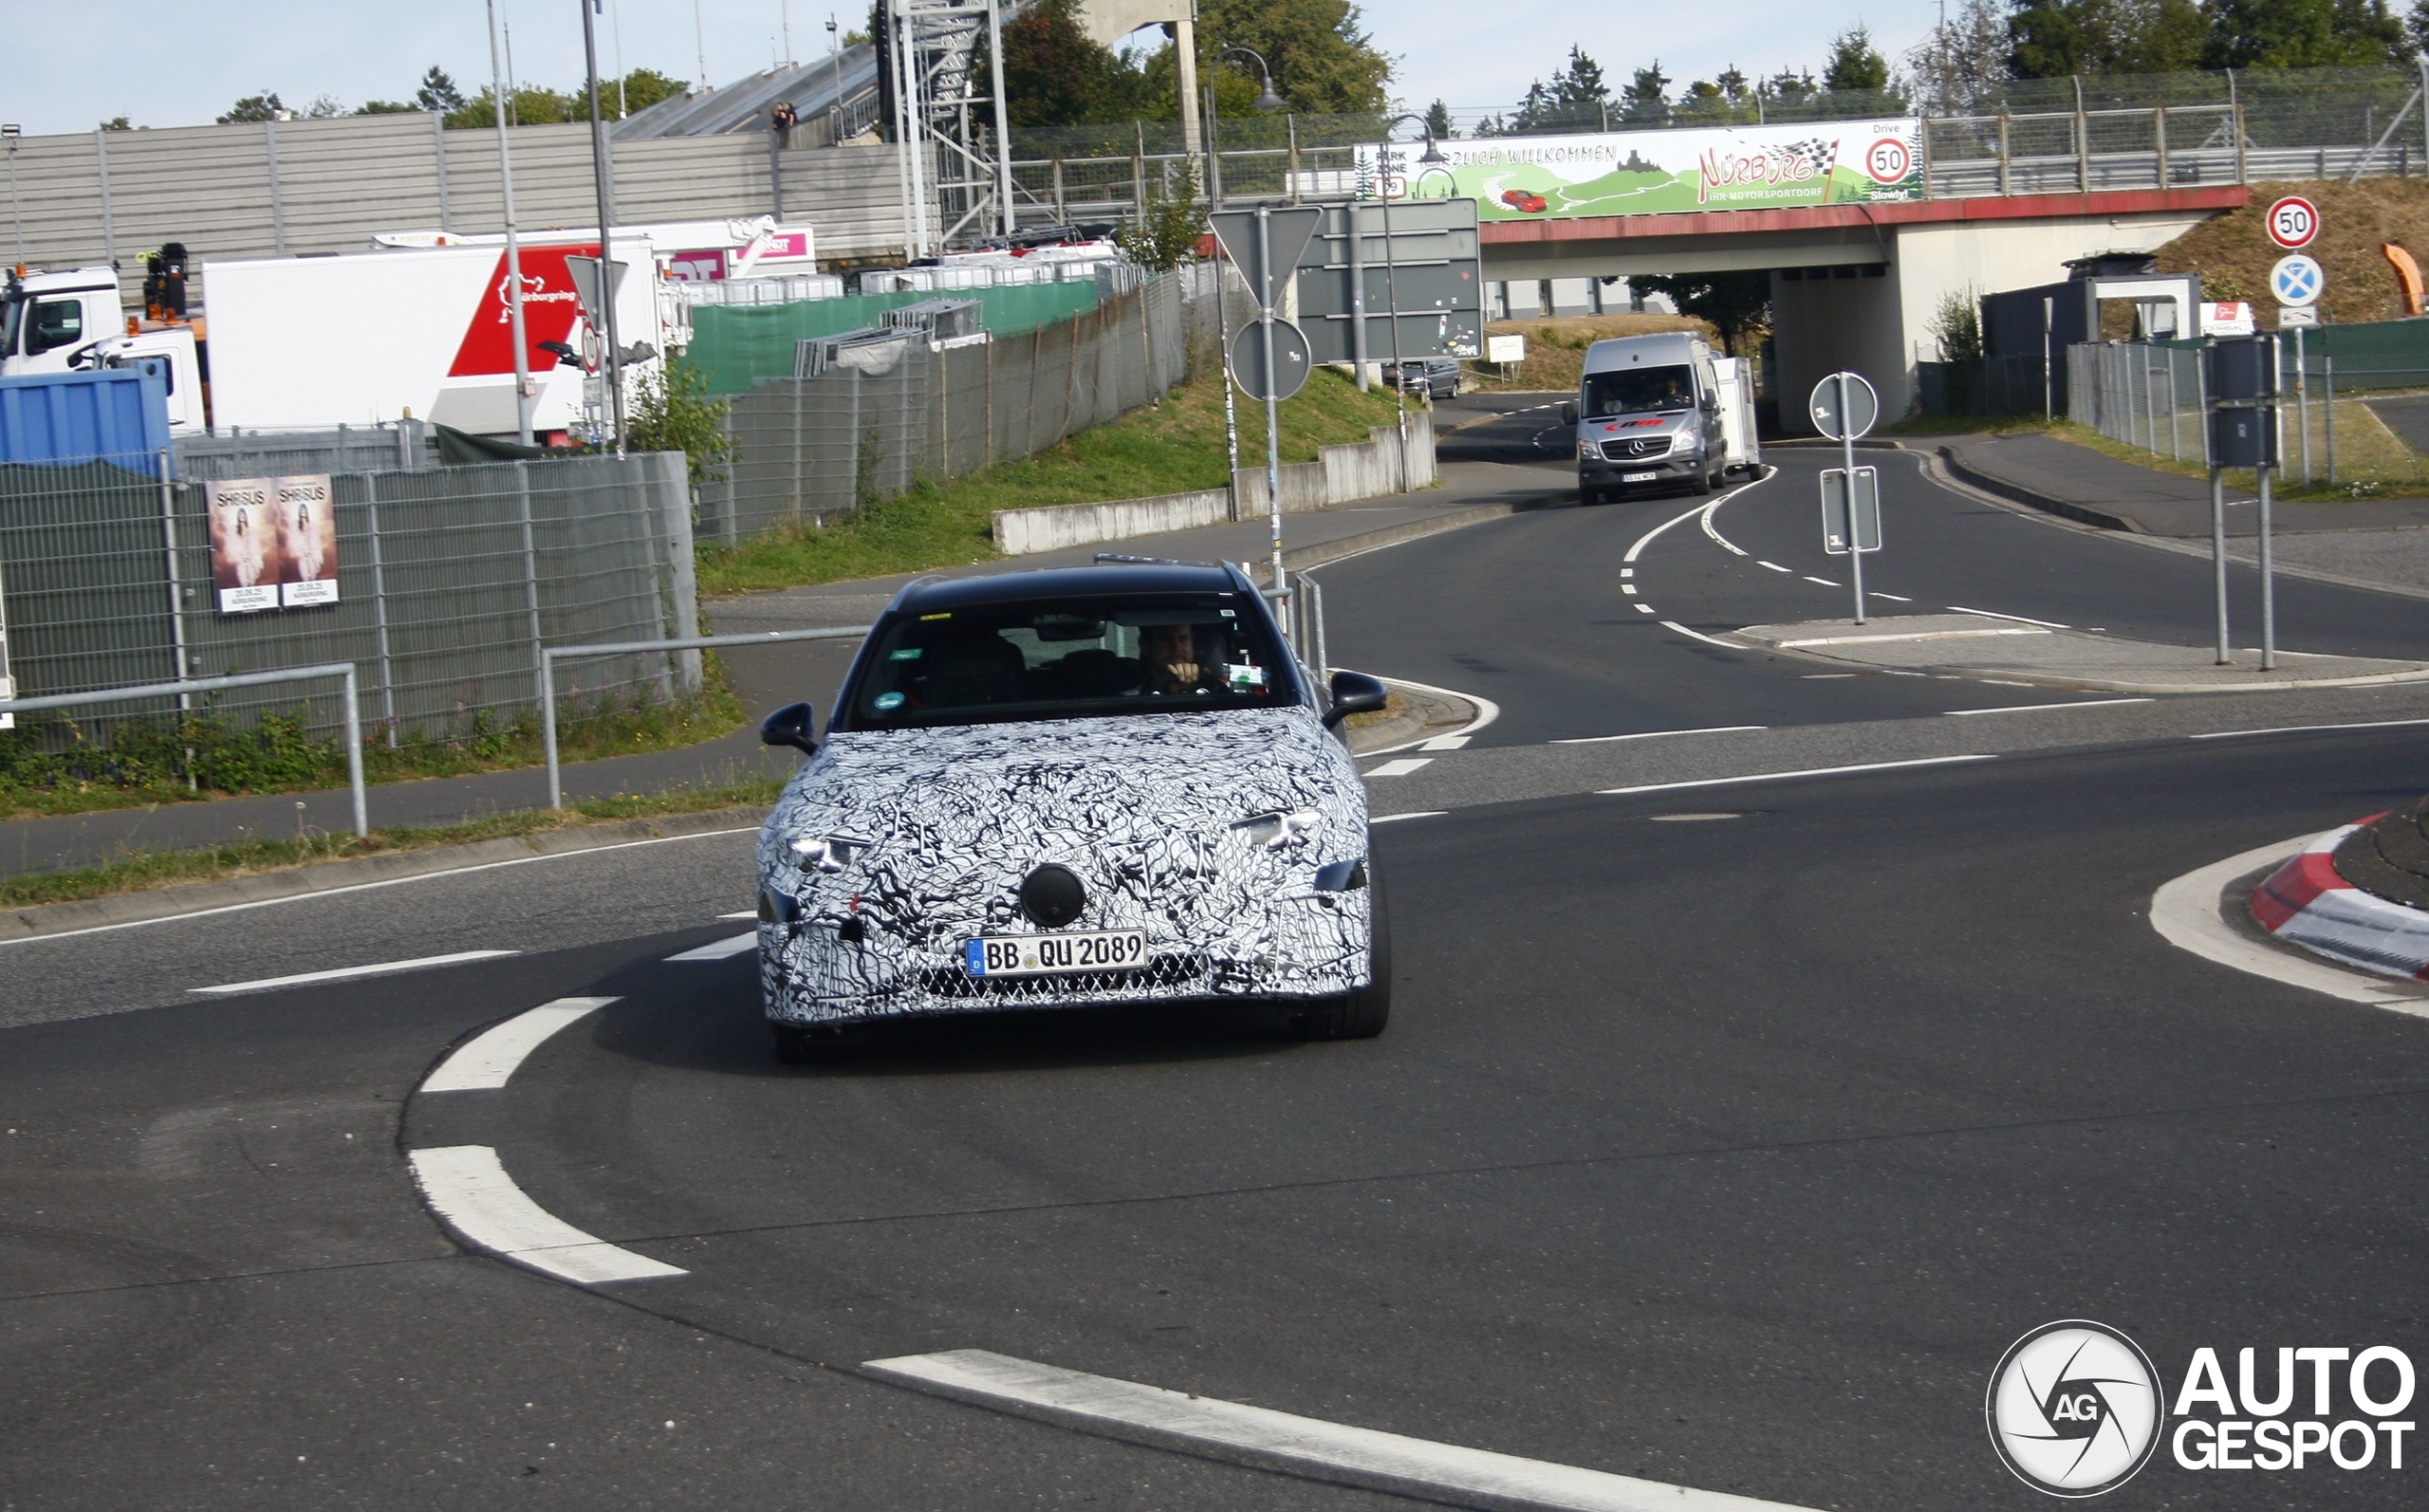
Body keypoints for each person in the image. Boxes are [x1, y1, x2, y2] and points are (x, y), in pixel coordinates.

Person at [1140, 621, 1214, 695]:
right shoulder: (1136, 691)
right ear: (1145, 645)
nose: (1176, 648)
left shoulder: (1212, 688)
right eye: (1166, 640)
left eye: (1183, 639)